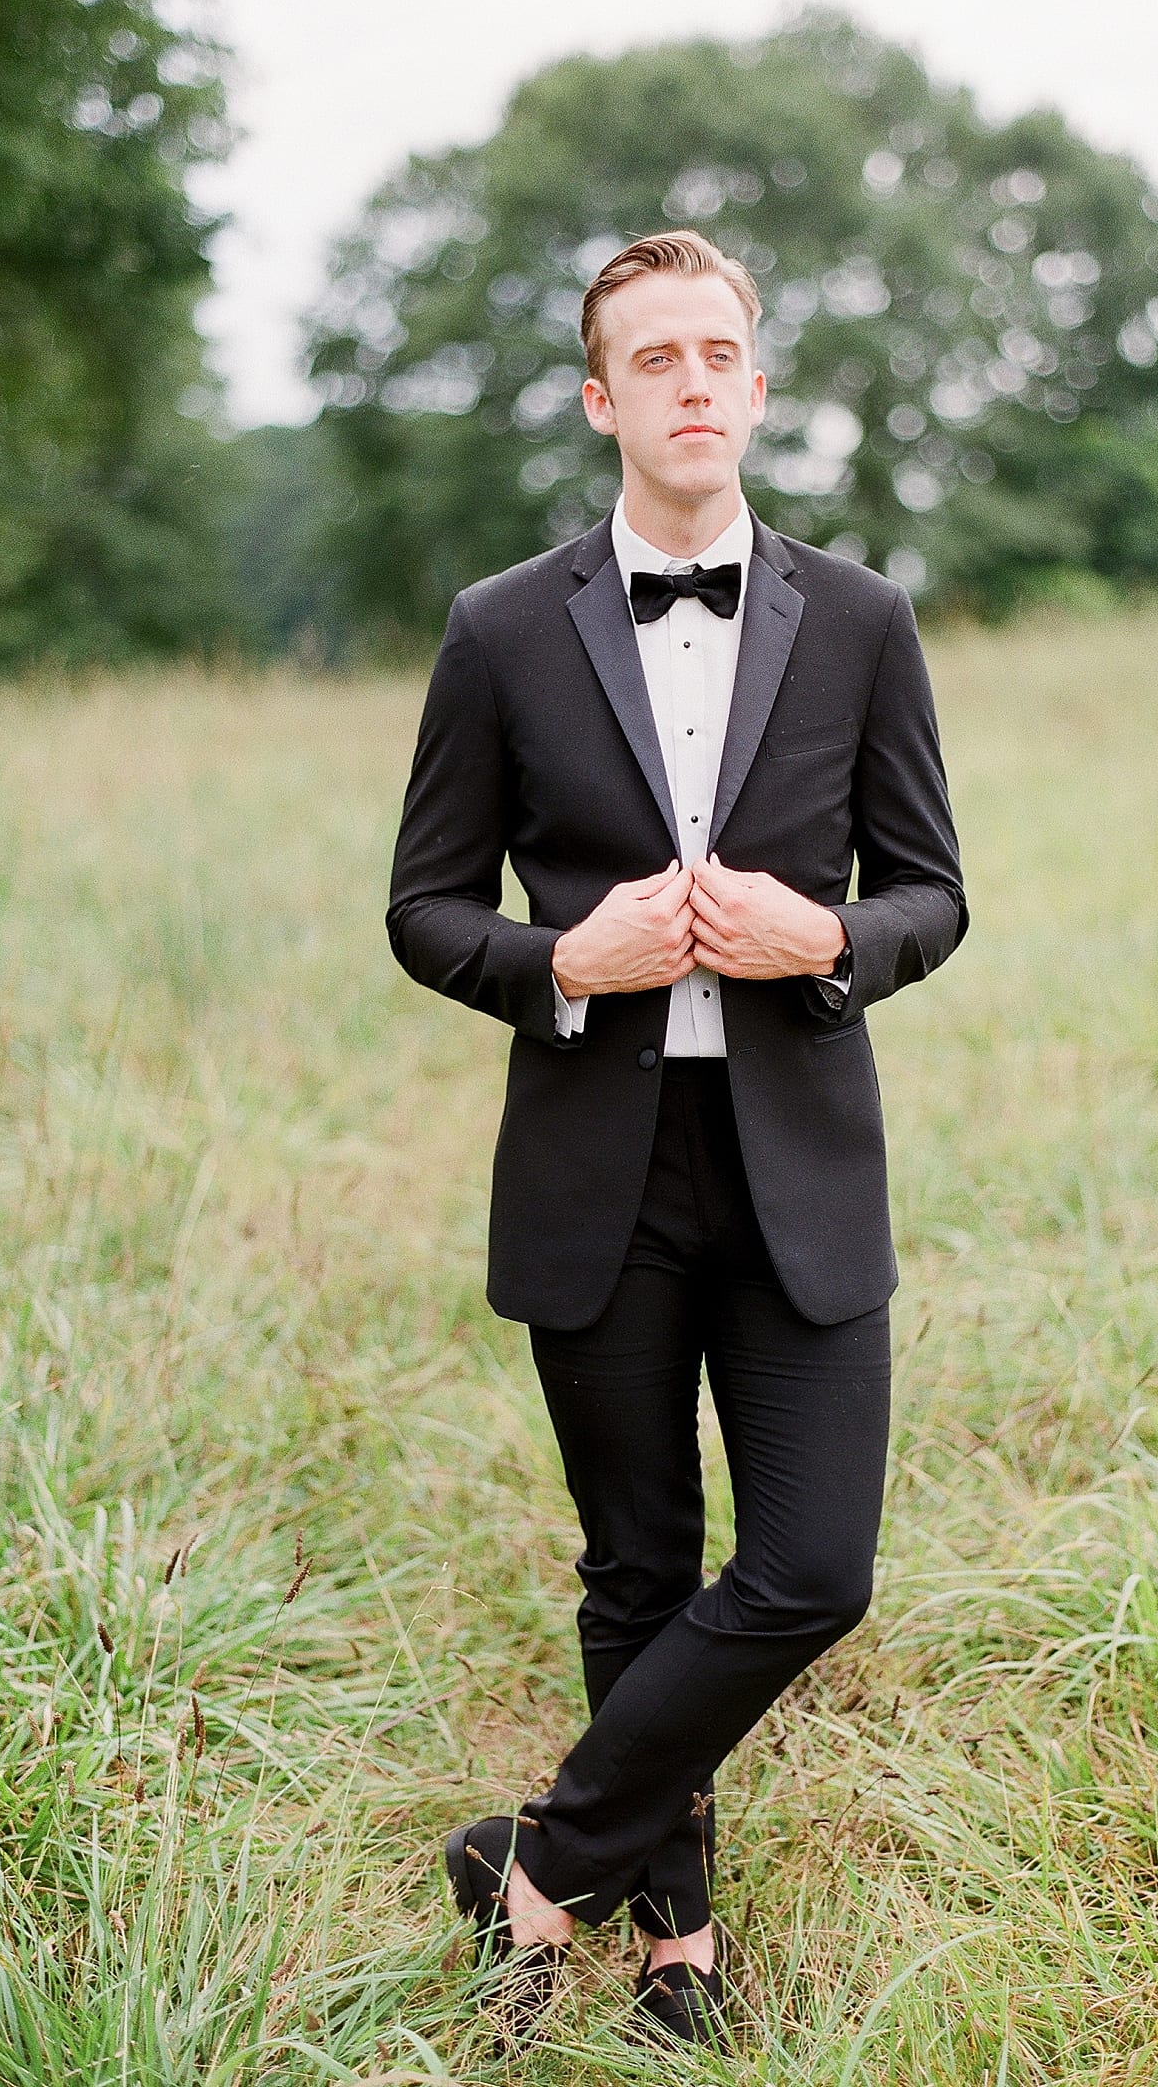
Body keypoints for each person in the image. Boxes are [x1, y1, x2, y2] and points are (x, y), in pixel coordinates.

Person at [387, 229, 967, 2047]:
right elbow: (420, 908)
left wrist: (839, 943)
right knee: (636, 1565)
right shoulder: (498, 630)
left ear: (760, 387)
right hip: (596, 1170)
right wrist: (568, 955)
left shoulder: (864, 621)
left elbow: (935, 891)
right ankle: (676, 1943)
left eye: (723, 352)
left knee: (813, 1567)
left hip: (798, 1159)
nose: (695, 381)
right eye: (657, 359)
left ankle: (541, 1861)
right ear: (601, 398)